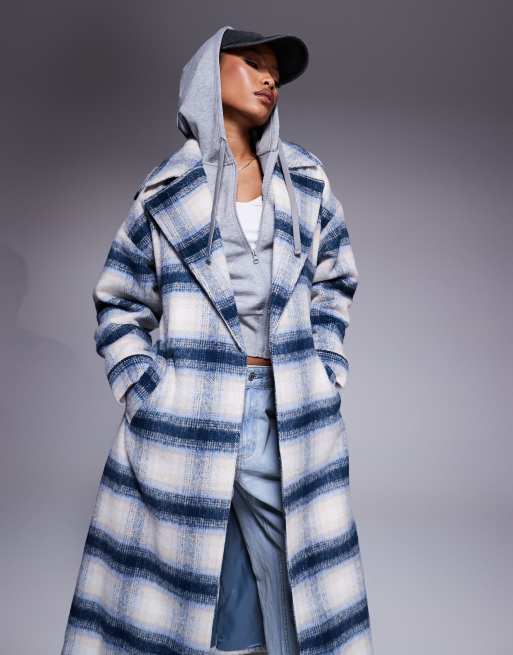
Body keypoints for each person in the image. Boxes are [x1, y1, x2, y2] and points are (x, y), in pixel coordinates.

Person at [61, 25, 374, 655]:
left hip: (285, 408)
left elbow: (335, 280)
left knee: (300, 581)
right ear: (211, 73)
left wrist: (326, 366)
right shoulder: (165, 192)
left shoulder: (305, 181)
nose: (269, 79)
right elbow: (118, 301)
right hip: (188, 415)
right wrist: (147, 393)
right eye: (254, 63)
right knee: (211, 585)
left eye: (274, 71)